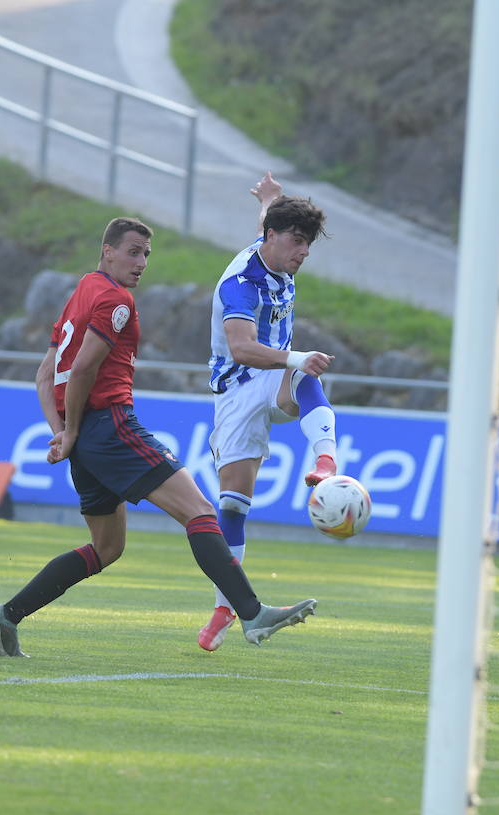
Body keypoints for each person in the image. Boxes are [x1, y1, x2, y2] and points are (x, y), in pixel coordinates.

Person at [0, 218, 316, 657]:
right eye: (133, 252)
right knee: (200, 512)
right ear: (108, 251)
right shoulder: (116, 301)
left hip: (86, 439)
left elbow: (45, 375)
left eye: (146, 255)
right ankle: (251, 613)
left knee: (106, 548)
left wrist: (61, 433)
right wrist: (71, 430)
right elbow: (82, 370)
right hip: (111, 426)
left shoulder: (83, 290)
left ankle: (6, 616)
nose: (141, 263)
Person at [193, 173, 340, 653]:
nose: (303, 252)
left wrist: (271, 197)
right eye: (297, 241)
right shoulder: (240, 284)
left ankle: (326, 462)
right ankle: (226, 607)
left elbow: (268, 220)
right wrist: (297, 355)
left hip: (273, 377)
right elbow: (241, 348)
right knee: (233, 507)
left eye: (308, 244)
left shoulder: (272, 243)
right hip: (237, 387)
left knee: (305, 380)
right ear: (273, 238)